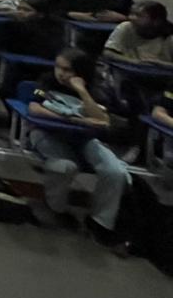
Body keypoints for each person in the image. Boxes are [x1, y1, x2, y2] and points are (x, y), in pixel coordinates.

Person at [27, 49, 130, 248]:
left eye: (67, 69)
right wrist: (72, 119)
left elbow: (102, 120)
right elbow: (35, 108)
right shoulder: (47, 81)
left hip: (84, 139)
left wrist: (82, 92)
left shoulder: (95, 88)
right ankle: (56, 209)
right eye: (58, 67)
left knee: (115, 171)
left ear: (80, 71)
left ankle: (100, 222)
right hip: (48, 134)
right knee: (66, 166)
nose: (61, 73)